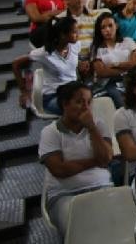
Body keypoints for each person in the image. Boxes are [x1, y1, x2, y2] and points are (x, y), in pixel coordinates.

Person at [39, 82, 113, 234]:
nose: (86, 107)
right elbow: (59, 169)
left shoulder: (98, 125)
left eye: (88, 102)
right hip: (65, 194)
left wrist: (92, 128)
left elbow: (105, 159)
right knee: (78, 228)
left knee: (114, 223)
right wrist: (95, 162)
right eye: (79, 102)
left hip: (101, 187)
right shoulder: (50, 132)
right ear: (65, 104)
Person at [14, 17, 85, 114]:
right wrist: (24, 90)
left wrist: (81, 63)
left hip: (71, 92)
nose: (78, 34)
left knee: (90, 104)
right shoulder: (44, 53)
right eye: (74, 32)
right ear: (63, 35)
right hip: (52, 96)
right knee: (78, 110)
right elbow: (16, 63)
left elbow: (72, 62)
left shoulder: (76, 45)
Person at [90, 12, 136, 108]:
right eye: (103, 27)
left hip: (131, 79)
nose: (107, 30)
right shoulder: (97, 47)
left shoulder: (128, 41)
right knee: (121, 100)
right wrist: (128, 67)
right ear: (100, 30)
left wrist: (115, 64)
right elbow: (102, 72)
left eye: (110, 25)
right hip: (110, 83)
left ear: (117, 26)